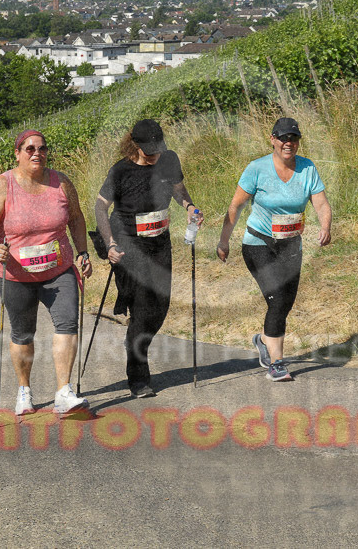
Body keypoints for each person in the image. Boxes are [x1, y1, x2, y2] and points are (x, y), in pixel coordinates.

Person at [0, 130, 94, 416]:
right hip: (16, 274)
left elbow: (76, 218)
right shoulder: (3, 186)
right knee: (23, 333)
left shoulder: (61, 182)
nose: (36, 153)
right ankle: (24, 391)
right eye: (29, 149)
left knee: (68, 323)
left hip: (59, 268)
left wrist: (82, 252)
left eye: (42, 148)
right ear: (17, 153)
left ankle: (64, 393)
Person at [216, 117, 332, 382]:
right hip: (258, 243)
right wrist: (224, 241)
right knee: (277, 299)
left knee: (285, 303)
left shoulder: (308, 168)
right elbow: (235, 207)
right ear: (272, 140)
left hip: (291, 243)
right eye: (282, 138)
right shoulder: (257, 169)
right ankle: (277, 363)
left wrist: (325, 226)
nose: (288, 143)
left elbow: (322, 204)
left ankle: (264, 340)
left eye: (293, 138)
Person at [94, 119, 202, 398]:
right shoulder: (121, 171)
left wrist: (188, 206)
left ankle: (135, 338)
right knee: (143, 308)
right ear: (135, 143)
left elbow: (178, 190)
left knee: (160, 306)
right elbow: (100, 207)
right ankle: (139, 377)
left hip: (160, 242)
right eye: (148, 149)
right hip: (129, 244)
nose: (154, 154)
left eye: (157, 148)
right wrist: (109, 243)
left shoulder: (169, 160)